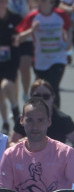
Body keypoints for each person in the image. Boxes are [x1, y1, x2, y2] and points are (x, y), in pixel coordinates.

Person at [0, 96, 74, 192]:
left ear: (49, 121)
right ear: (21, 120)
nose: (35, 126)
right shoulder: (10, 154)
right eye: (29, 120)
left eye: (40, 120)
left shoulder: (66, 153)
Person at [15, 0, 72, 109]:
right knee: (41, 90)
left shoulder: (61, 15)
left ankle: (55, 118)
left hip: (58, 58)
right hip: (40, 61)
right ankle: (42, 116)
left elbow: (69, 28)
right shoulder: (33, 16)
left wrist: (68, 42)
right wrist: (32, 30)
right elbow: (18, 38)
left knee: (53, 87)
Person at [9, 79, 74, 152]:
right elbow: (11, 144)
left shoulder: (63, 120)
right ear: (30, 97)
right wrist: (21, 145)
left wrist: (61, 155)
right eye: (37, 96)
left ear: (53, 97)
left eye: (46, 96)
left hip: (53, 165)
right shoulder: (23, 118)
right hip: (29, 161)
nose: (41, 100)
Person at [0, 0, 22, 134]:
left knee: (6, 86)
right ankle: (6, 122)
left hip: (10, 59)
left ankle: (16, 113)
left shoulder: (14, 18)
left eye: (4, 1)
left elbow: (21, 34)